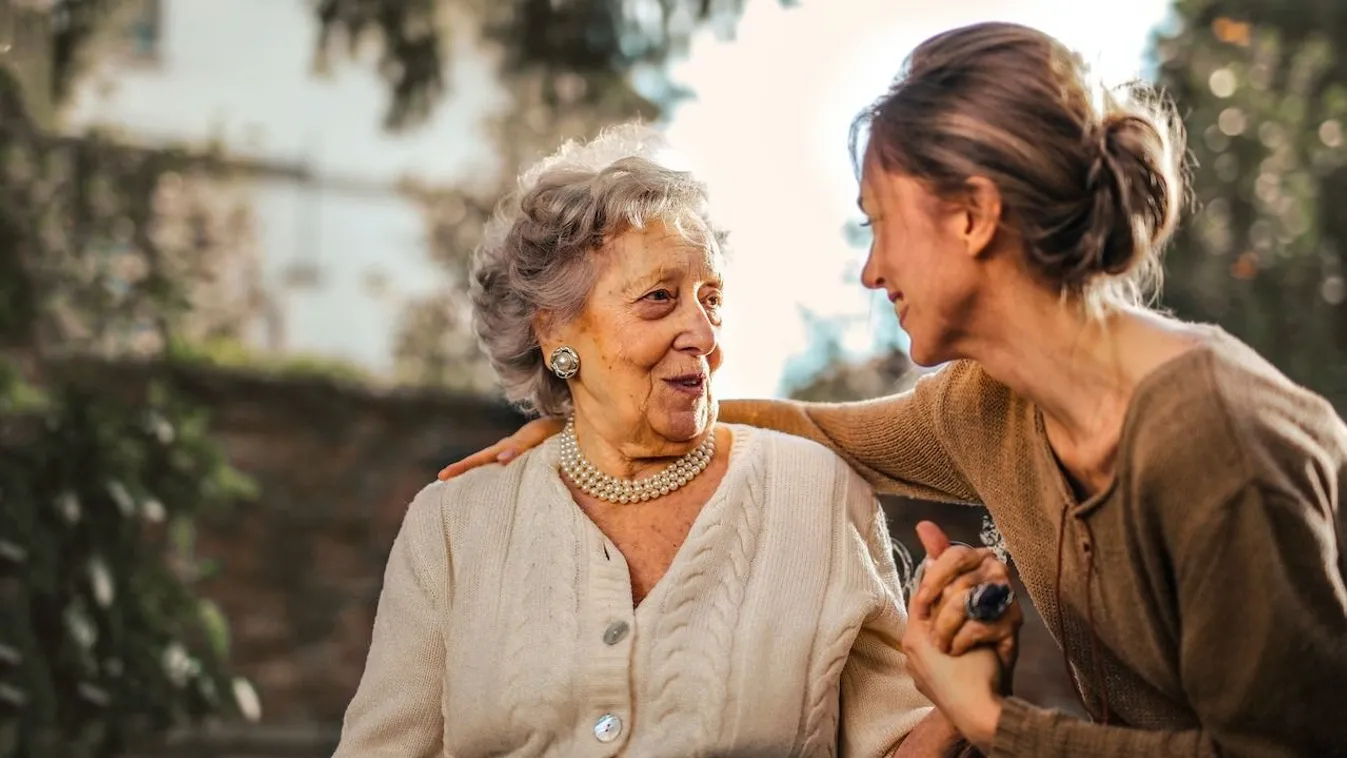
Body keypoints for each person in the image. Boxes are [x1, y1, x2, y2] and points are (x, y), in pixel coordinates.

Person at [438, 22, 1347, 757]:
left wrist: (993, 722)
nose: (870, 272)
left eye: (879, 226)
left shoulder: (1215, 441)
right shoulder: (988, 407)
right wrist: (593, 424)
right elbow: (813, 430)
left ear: (972, 215)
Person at [334, 125, 1019, 757]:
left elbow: (892, 743)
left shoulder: (817, 494)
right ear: (554, 333)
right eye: (659, 297)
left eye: (710, 298)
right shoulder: (455, 523)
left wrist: (961, 706)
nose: (703, 333)